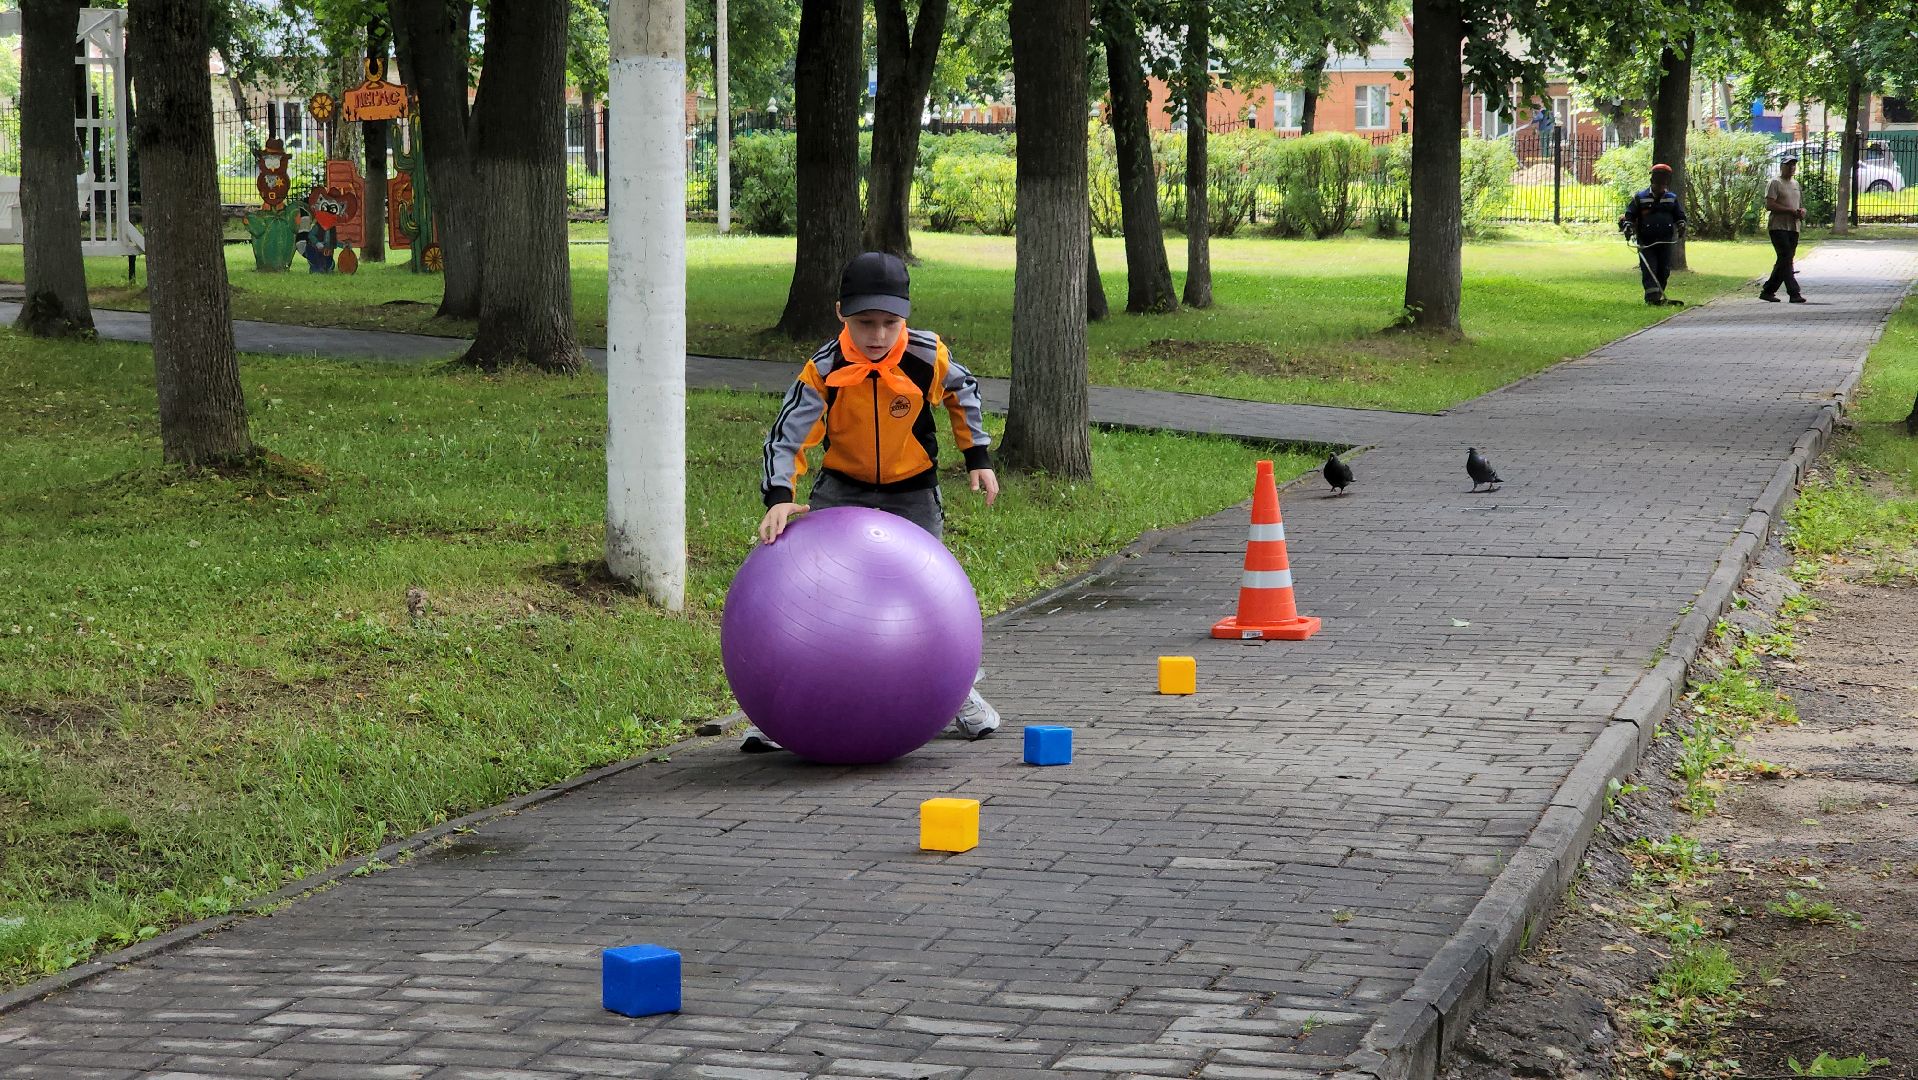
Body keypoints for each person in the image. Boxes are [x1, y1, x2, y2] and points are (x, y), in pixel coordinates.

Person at [741, 250, 1003, 753]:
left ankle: (955, 693)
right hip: (843, 486)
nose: (878, 335)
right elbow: (787, 438)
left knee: (928, 596)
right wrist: (778, 496)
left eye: (889, 322)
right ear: (842, 313)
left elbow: (964, 391)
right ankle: (781, 707)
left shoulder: (927, 356)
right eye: (865, 323)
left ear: (905, 316)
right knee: (819, 597)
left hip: (913, 491)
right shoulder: (823, 369)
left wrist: (978, 456)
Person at [1620, 163, 1688, 305]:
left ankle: (1659, 295)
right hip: (1646, 242)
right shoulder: (1640, 197)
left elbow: (1679, 216)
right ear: (1652, 180)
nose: (1660, 186)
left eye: (1663, 182)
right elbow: (1630, 215)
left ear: (1667, 182)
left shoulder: (1671, 198)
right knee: (1650, 269)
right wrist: (1627, 226)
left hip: (1665, 242)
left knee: (1664, 270)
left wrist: (1681, 224)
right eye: (1658, 182)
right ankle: (1652, 299)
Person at [1761, 156, 1808, 303]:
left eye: (1793, 165)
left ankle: (1768, 290)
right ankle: (1794, 293)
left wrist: (1801, 212)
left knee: (1785, 259)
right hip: (1778, 226)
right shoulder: (1775, 182)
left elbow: (1799, 204)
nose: (1791, 167)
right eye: (1788, 165)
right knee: (1786, 256)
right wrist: (1789, 211)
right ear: (1782, 166)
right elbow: (1770, 205)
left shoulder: (1795, 183)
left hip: (1793, 227)